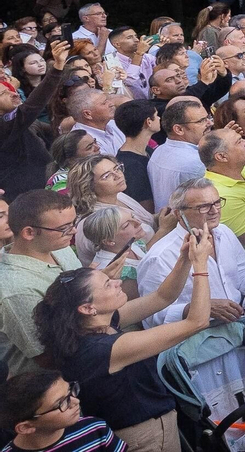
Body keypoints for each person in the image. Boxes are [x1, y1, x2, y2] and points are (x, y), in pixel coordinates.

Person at [33, 229, 214, 452]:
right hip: (145, 437)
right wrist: (201, 266)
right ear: (88, 308)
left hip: (148, 429)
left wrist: (184, 259)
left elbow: (163, 297)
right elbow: (197, 322)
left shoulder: (91, 325)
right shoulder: (105, 349)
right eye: (107, 284)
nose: (118, 282)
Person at [134, 179, 245, 326]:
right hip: (195, 334)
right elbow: (151, 316)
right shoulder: (159, 257)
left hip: (239, 323)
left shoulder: (224, 232)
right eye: (203, 207)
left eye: (217, 203)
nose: (214, 211)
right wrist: (196, 308)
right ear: (178, 214)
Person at [0, 190, 86, 376]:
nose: (74, 231)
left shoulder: (58, 245)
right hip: (54, 380)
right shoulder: (15, 290)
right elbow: (46, 357)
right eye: (64, 228)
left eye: (73, 223)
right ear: (29, 232)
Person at [0, 369, 126, 452]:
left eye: (70, 391)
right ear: (26, 427)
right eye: (61, 403)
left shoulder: (95, 428)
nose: (76, 401)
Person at [144, 103, 209, 213]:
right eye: (201, 121)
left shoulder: (159, 151)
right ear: (179, 129)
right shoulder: (197, 162)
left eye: (208, 118)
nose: (210, 123)